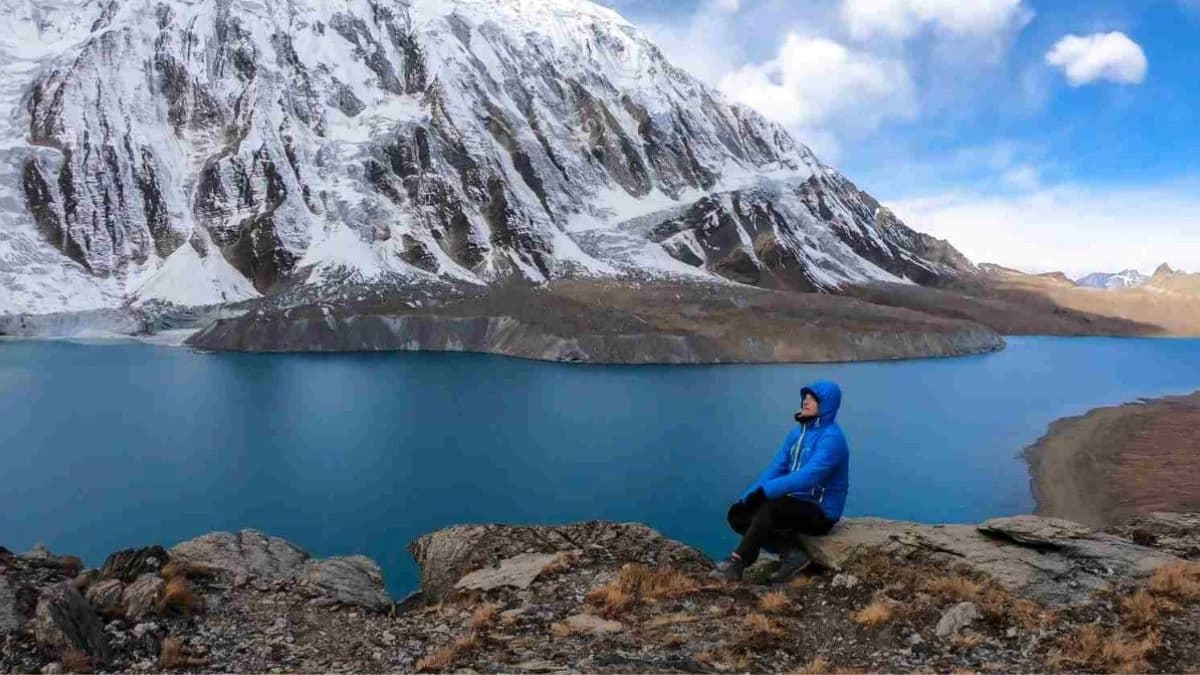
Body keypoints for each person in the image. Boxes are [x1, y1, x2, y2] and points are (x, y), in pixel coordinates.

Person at [710, 380, 850, 583]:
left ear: (827, 404)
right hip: (794, 504)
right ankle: (793, 553)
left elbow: (808, 477)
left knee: (770, 506)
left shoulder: (832, 438)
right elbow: (776, 469)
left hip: (820, 512)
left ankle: (738, 562)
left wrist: (766, 492)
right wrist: (749, 495)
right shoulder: (797, 434)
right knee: (738, 514)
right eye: (806, 396)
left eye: (814, 398)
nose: (806, 401)